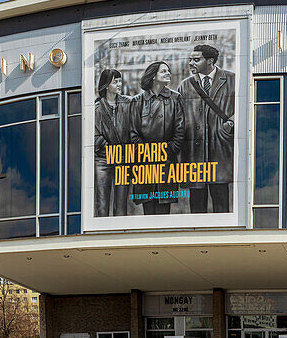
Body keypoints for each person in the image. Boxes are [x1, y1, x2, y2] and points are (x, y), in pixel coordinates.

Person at [177, 44, 235, 213]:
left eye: (196, 59)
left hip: (220, 149)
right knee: (196, 206)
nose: (191, 63)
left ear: (210, 61)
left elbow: (243, 108)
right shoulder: (185, 85)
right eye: (190, 59)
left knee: (221, 202)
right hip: (194, 154)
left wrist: (229, 124)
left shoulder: (231, 80)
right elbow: (179, 117)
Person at [130, 61, 185, 215]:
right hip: (144, 162)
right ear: (153, 76)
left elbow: (180, 130)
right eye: (163, 71)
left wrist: (169, 150)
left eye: (169, 71)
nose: (168, 73)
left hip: (167, 161)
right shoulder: (137, 101)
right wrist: (147, 151)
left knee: (164, 210)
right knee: (148, 208)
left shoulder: (175, 98)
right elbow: (132, 133)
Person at [94, 68, 131, 216]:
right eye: (115, 82)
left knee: (121, 206)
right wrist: (110, 147)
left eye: (120, 81)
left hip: (123, 159)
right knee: (102, 205)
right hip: (103, 160)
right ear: (106, 84)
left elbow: (133, 128)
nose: (119, 84)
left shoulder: (127, 104)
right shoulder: (96, 109)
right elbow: (95, 137)